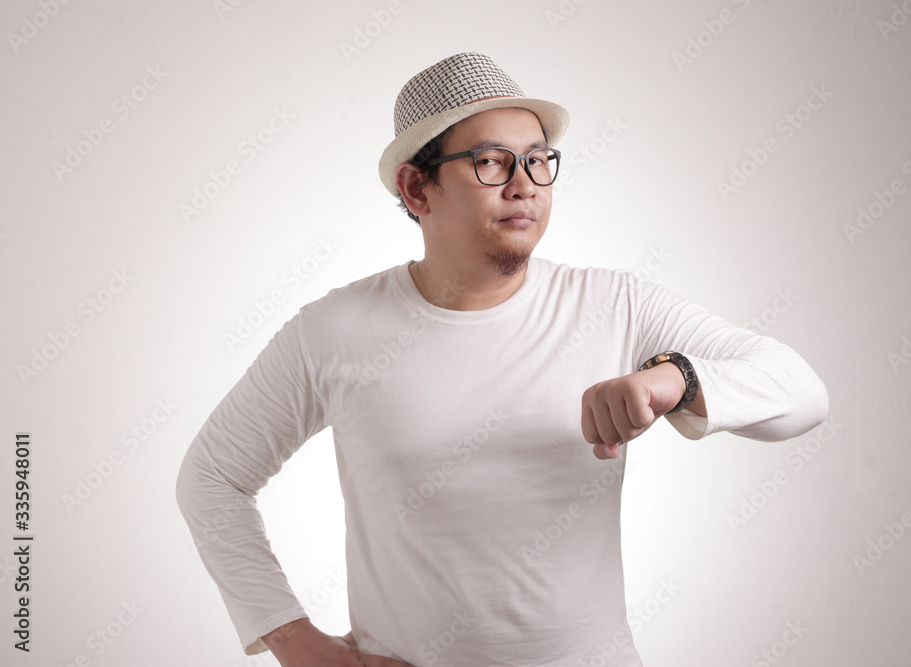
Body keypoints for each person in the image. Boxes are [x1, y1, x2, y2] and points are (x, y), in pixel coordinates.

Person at [175, 52, 828, 666]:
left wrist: (674, 379)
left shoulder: (613, 305)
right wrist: (296, 642)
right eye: (491, 161)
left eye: (539, 161)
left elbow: (801, 393)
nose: (525, 186)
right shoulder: (335, 330)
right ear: (417, 187)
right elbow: (212, 476)